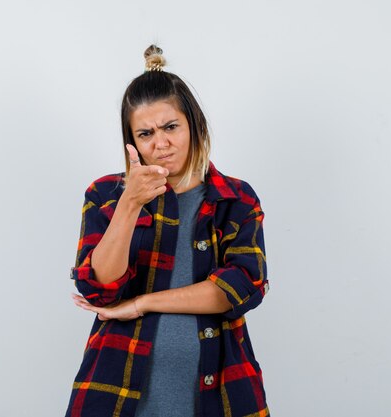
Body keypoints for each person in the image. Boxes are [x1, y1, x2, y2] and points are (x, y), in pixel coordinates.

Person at [66, 45, 270, 417]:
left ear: (194, 124)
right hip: (116, 393)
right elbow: (98, 286)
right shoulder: (106, 196)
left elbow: (240, 288)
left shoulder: (235, 198)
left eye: (171, 127)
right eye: (145, 134)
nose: (160, 144)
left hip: (220, 392)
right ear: (132, 142)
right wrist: (129, 204)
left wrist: (142, 303)